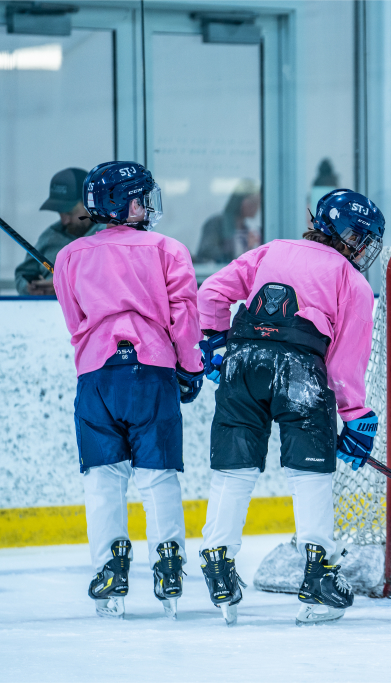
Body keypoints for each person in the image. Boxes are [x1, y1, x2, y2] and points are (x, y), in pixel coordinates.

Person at [195, 189, 384, 626]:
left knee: (233, 467)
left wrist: (217, 341)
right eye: (358, 237)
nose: (362, 247)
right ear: (341, 234)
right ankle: (318, 572)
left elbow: (212, 294)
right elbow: (345, 359)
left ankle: (217, 558)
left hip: (243, 362)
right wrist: (355, 416)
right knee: (310, 473)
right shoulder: (352, 281)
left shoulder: (272, 250)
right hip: (301, 369)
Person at [52, 161, 205, 619]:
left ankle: (109, 568)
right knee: (157, 474)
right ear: (126, 202)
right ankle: (168, 565)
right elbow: (184, 317)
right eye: (142, 197)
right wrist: (190, 368)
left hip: (95, 378)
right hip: (151, 372)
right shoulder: (168, 249)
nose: (148, 204)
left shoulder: (69, 256)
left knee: (103, 477)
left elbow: (74, 320)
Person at [15, 167, 98, 296]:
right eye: (60, 213)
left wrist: (65, 288)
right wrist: (28, 288)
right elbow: (23, 274)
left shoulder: (114, 238)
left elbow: (115, 284)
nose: (65, 221)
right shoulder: (50, 236)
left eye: (70, 212)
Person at [194, 179, 261, 263]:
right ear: (242, 202)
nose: (257, 208)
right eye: (254, 203)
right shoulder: (216, 224)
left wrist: (251, 248)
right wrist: (228, 256)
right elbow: (207, 251)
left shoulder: (246, 229)